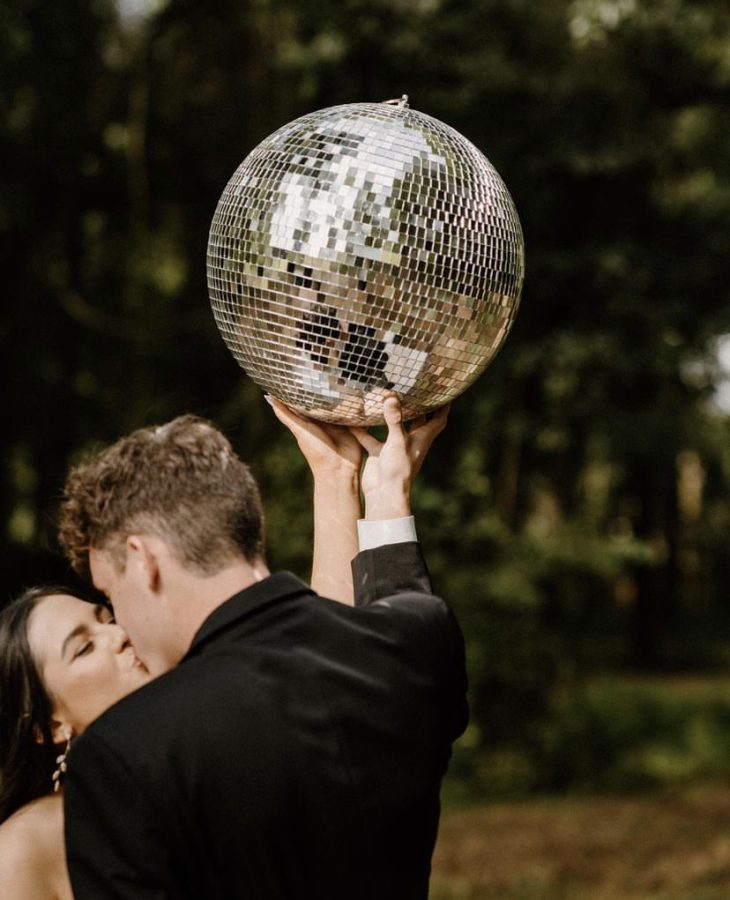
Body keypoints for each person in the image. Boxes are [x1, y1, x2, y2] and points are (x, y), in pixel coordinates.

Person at [53, 394, 466, 900]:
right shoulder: (417, 646)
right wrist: (383, 493)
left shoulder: (124, 753)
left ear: (142, 559)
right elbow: (399, 605)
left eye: (110, 592)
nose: (121, 624)